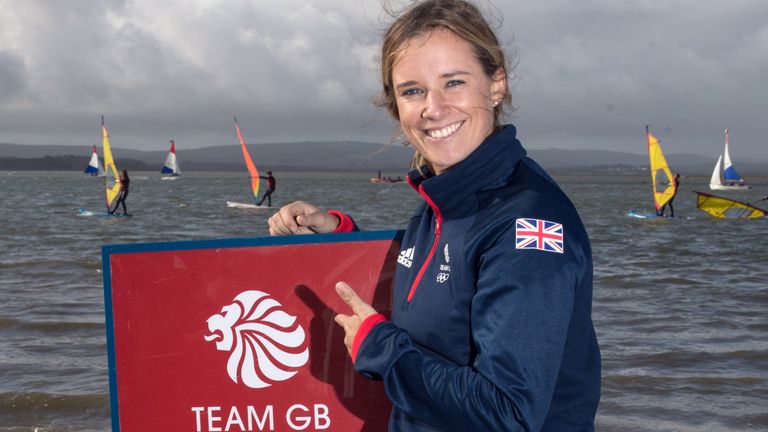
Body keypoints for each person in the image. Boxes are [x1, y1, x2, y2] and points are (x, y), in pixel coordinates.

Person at [268, 1, 600, 430]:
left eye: (454, 82)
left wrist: (383, 351)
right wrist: (339, 236)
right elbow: (440, 297)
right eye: (412, 91)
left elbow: (509, 414)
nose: (433, 107)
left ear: (496, 84)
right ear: (395, 105)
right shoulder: (443, 204)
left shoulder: (525, 226)